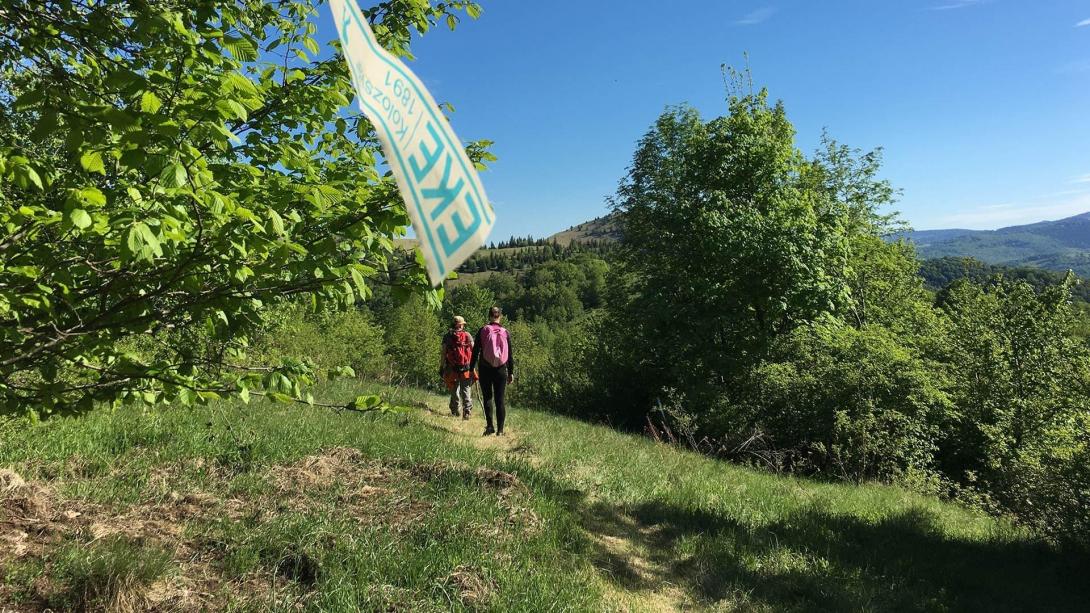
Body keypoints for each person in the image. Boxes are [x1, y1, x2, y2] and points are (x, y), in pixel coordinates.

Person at [471, 306, 514, 436]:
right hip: (501, 369)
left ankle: (490, 427)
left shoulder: (483, 330)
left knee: (488, 397)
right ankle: (500, 430)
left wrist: (471, 367)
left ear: (489, 316)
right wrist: (511, 372)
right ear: (500, 316)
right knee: (500, 399)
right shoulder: (505, 332)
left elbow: (475, 351)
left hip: (485, 368)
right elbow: (510, 355)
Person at [440, 315, 474, 420]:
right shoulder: (467, 335)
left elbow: (443, 352)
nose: (463, 326)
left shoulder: (447, 336)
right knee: (466, 389)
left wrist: (442, 366)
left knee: (454, 388)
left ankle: (455, 410)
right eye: (462, 324)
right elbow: (474, 349)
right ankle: (467, 411)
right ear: (460, 324)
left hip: (452, 367)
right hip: (466, 367)